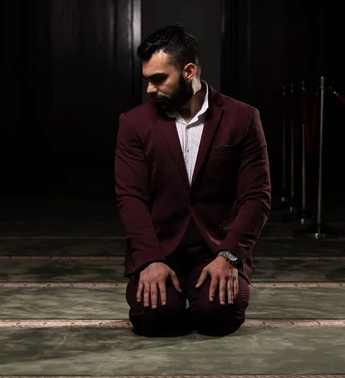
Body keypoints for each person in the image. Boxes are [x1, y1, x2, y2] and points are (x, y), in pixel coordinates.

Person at [114, 24, 271, 337]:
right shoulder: (133, 124)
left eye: (159, 79)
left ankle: (199, 298)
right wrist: (149, 260)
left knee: (220, 317)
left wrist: (229, 256)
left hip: (215, 247)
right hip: (159, 247)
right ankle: (175, 298)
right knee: (154, 319)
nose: (149, 89)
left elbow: (257, 196)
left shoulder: (243, 118)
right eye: (147, 80)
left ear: (188, 71)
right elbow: (130, 198)